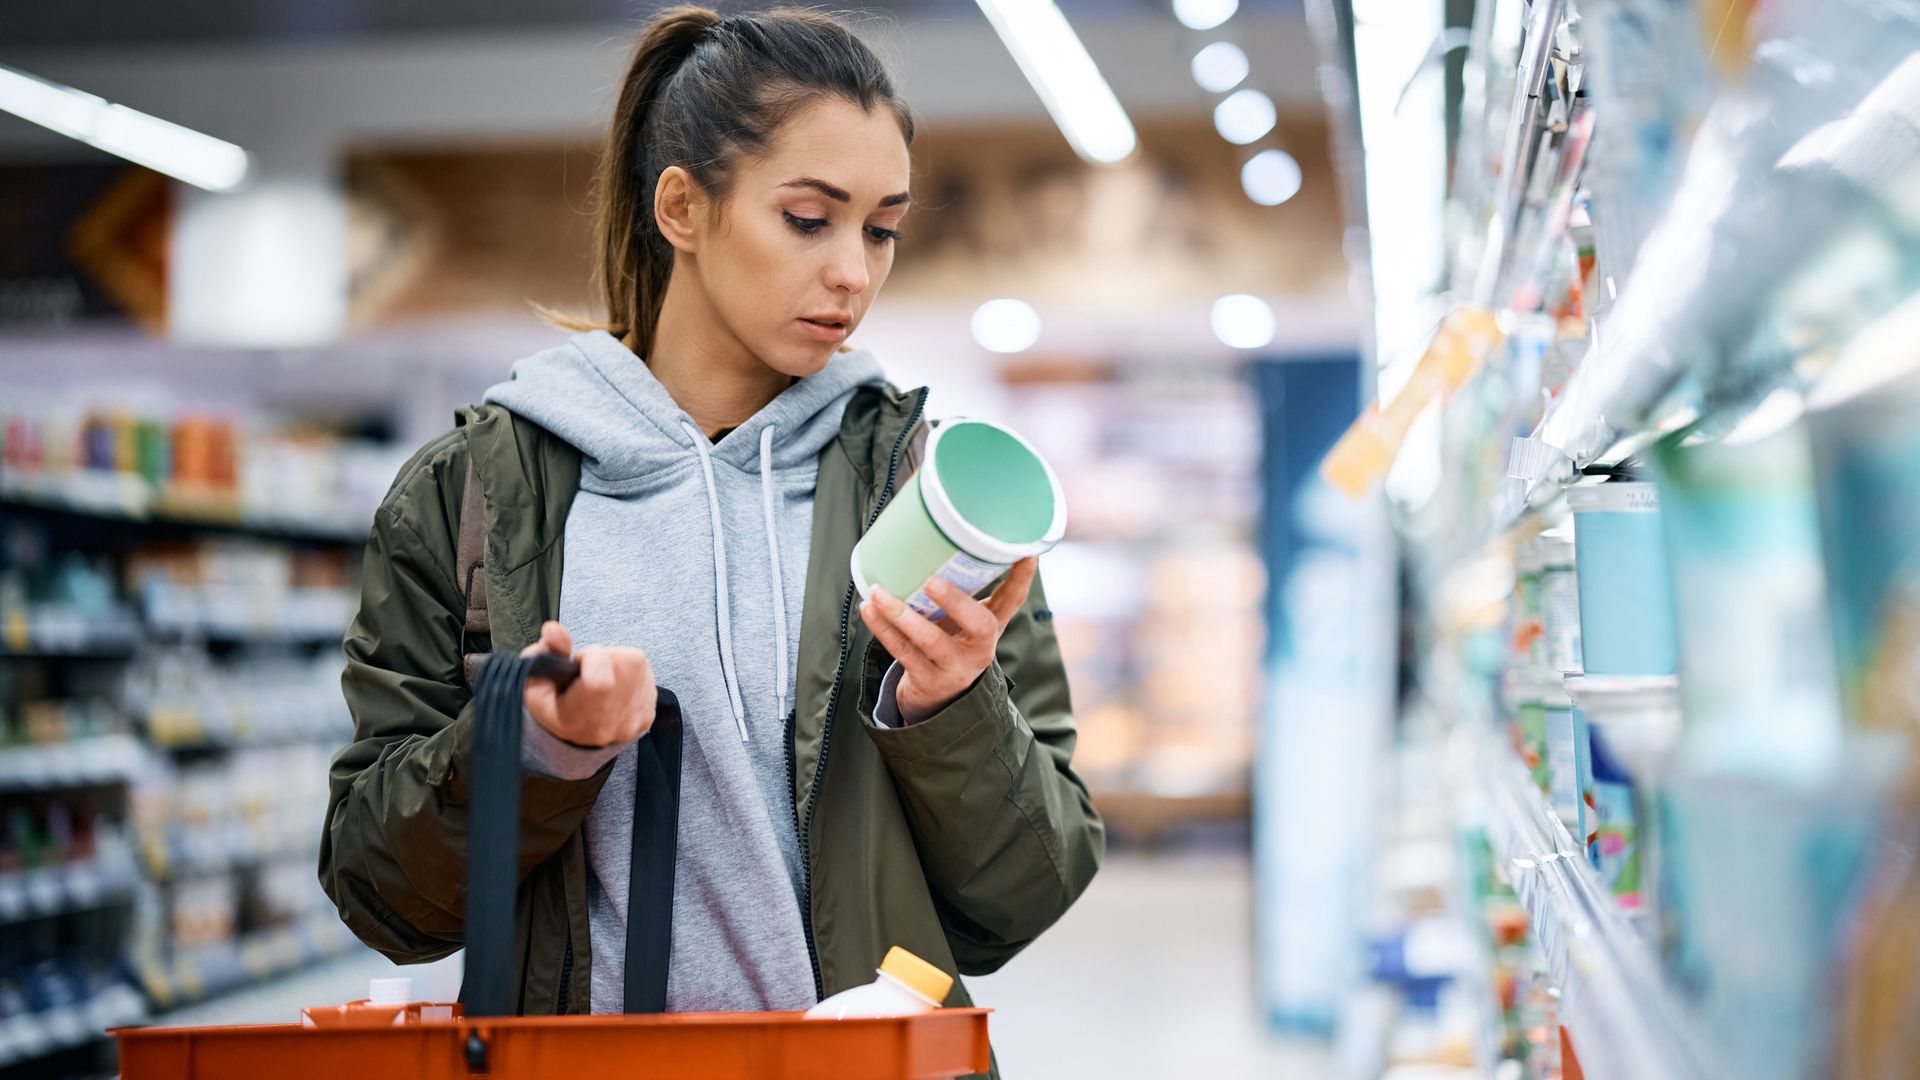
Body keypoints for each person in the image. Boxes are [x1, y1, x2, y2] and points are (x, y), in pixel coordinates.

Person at [317, 2, 1104, 1061]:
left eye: (881, 229)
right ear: (681, 207)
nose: (854, 275)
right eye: (808, 218)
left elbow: (1028, 894)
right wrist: (543, 746)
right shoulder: (471, 494)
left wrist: (949, 709)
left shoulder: (929, 491)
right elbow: (380, 892)